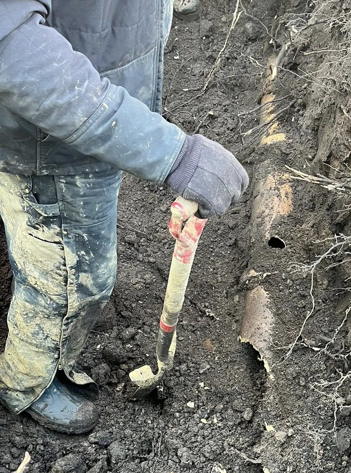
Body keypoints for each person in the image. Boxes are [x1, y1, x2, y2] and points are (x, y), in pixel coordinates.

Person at [0, 0, 248, 434]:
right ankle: (26, 384)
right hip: (47, 140)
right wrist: (173, 155)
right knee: (71, 283)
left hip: (84, 110)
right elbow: (11, 48)